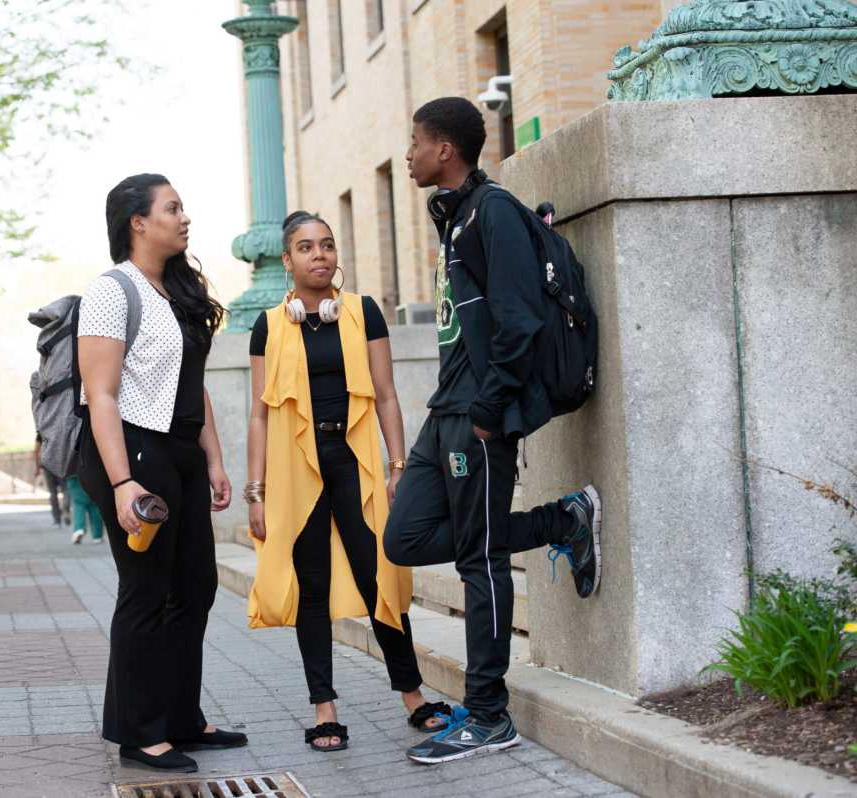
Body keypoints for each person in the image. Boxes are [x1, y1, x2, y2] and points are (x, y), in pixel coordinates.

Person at [384, 97, 602, 765]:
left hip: (476, 417)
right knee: (405, 536)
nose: (409, 153)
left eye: (416, 141)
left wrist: (487, 413)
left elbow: (519, 322)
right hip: (444, 413)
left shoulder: (494, 212)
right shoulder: (458, 217)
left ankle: (488, 715)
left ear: (444, 148)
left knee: (479, 561)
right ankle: (558, 521)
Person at [247, 211, 458, 753]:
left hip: (355, 459)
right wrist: (256, 492)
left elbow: (385, 394)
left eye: (327, 245)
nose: (319, 255)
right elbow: (260, 415)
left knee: (379, 577)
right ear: (288, 261)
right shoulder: (269, 326)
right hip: (298, 468)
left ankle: (412, 697)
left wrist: (398, 466)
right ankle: (325, 710)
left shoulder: (363, 312)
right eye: (305, 247)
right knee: (311, 586)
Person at [77, 173, 244, 773]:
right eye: (172, 208)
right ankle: (139, 732)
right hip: (133, 451)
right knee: (147, 590)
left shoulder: (177, 289)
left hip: (182, 452)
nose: (185, 217)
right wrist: (123, 483)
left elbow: (190, 385)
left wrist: (216, 460)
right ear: (138, 223)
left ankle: (182, 718)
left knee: (196, 586)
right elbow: (101, 395)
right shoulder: (111, 291)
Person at [33, 433, 71, 531]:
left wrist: (37, 468)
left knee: (53, 492)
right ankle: (66, 508)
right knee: (65, 489)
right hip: (61, 462)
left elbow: (36, 450)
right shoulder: (61, 426)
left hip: (47, 465)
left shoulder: (42, 430)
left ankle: (57, 520)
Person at [66, 473, 103, 544]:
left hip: (72, 472)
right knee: (94, 503)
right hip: (91, 471)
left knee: (78, 502)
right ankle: (97, 535)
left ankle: (79, 528)